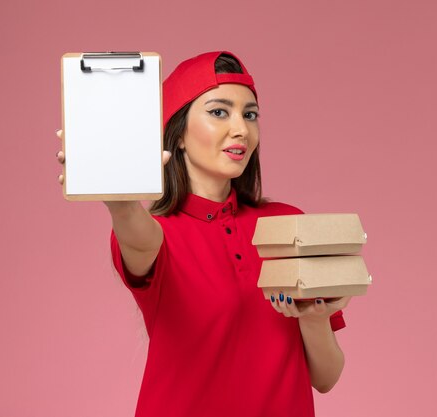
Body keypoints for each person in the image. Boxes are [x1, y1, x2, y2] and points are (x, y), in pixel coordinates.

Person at [55, 51, 350, 417]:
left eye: (250, 114)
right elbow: (137, 237)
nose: (241, 128)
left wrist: (313, 317)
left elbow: (326, 377)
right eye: (219, 112)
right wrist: (122, 204)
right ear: (177, 134)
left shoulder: (288, 226)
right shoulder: (160, 234)